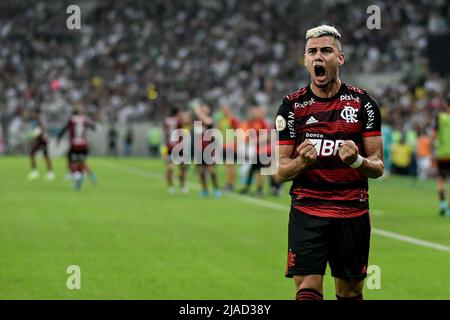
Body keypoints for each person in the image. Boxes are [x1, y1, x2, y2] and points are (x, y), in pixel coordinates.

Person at [274, 25, 384, 300]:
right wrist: (302, 162)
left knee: (350, 292)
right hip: (308, 210)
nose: (318, 57)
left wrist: (357, 161)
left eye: (325, 50)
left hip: (351, 211)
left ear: (341, 58)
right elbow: (279, 171)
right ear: (305, 60)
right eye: (311, 52)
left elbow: (378, 165)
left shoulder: (363, 104)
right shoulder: (292, 106)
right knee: (307, 289)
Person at [57, 104, 97, 191]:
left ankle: (76, 175)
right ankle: (89, 176)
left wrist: (58, 139)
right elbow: (94, 127)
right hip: (84, 144)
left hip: (75, 144)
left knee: (70, 160)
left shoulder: (72, 119)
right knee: (81, 163)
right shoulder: (85, 119)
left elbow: (64, 129)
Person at [192, 102, 221, 198]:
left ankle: (216, 189)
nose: (204, 109)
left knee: (211, 170)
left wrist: (198, 110)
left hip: (209, 149)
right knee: (201, 171)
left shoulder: (211, 119)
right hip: (200, 149)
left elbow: (208, 122)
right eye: (202, 108)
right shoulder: (197, 121)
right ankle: (204, 190)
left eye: (205, 108)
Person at [214, 103, 240, 191]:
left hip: (231, 145)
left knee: (230, 166)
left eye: (225, 109)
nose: (224, 110)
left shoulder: (232, 119)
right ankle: (230, 183)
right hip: (224, 145)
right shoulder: (222, 120)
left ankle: (231, 184)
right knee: (228, 166)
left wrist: (236, 143)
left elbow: (238, 131)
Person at [163, 108, 188, 194]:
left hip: (169, 147)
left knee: (169, 168)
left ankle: (170, 187)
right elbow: (185, 123)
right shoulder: (178, 120)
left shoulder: (166, 121)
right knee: (182, 168)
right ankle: (182, 186)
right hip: (178, 147)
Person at [27, 108, 55, 181]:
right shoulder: (38, 120)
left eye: (33, 113)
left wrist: (34, 135)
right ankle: (38, 172)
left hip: (42, 141)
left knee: (44, 156)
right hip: (40, 140)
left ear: (36, 113)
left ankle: (49, 173)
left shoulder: (39, 120)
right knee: (34, 154)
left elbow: (41, 130)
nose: (33, 114)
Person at [432, 101, 450, 216]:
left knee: (441, 180)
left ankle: (442, 203)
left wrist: (431, 151)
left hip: (442, 154)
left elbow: (433, 136)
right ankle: (449, 210)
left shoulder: (441, 117)